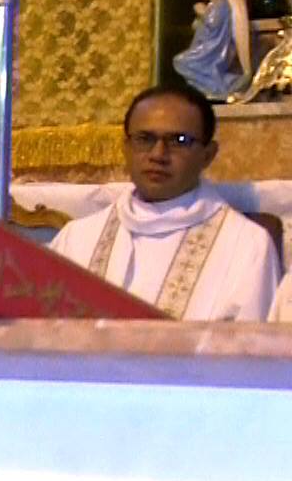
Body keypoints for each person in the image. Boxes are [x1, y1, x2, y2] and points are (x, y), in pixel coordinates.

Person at [49, 86, 280, 320]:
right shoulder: (76, 239)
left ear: (208, 155)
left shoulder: (246, 245)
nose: (158, 154)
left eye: (179, 141)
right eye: (144, 139)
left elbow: (255, 341)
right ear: (125, 148)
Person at [171, 0, 249, 100]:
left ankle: (219, 86)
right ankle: (212, 86)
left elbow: (214, 24)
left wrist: (203, 12)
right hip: (205, 45)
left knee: (181, 62)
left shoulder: (222, 3)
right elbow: (204, 26)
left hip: (214, 48)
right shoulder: (213, 4)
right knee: (183, 64)